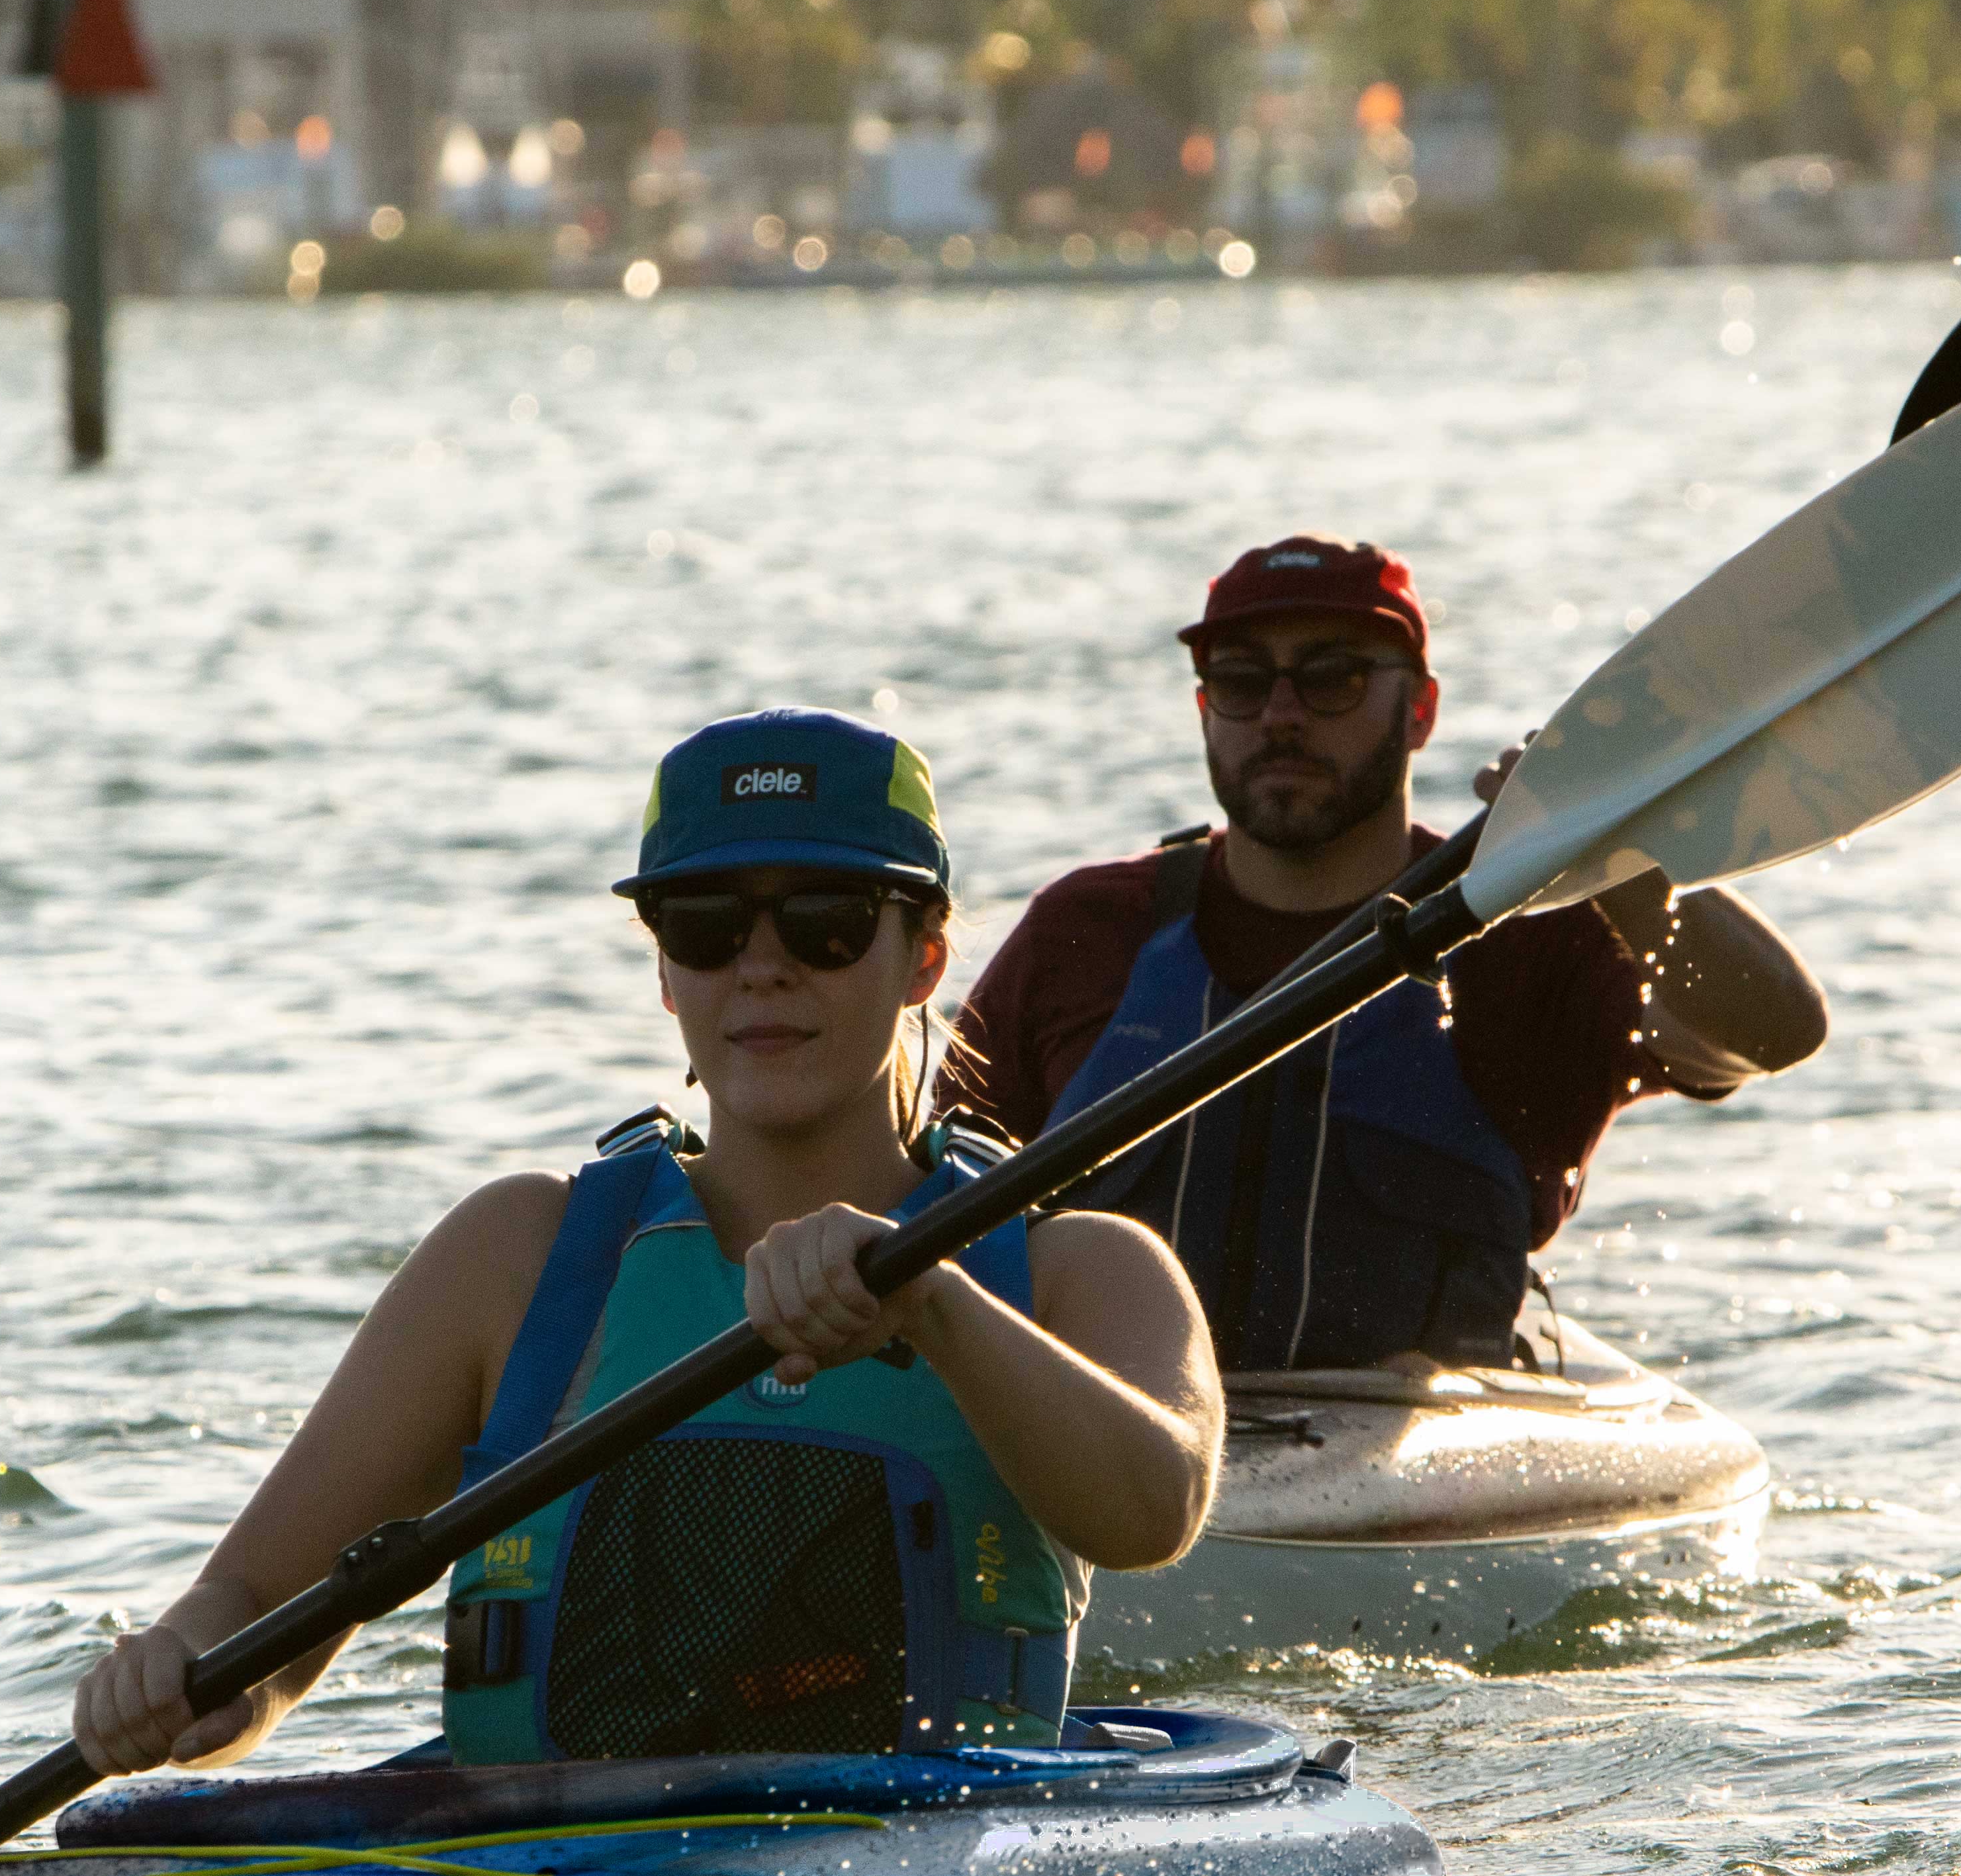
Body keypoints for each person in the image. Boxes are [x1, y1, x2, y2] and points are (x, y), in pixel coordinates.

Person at [68, 707, 1220, 1779]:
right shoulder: (514, 1256)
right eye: (709, 927)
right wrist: (187, 1673)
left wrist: (936, 1305)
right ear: (666, 969)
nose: (761, 967)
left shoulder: (1077, 1270)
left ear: (925, 955)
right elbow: (257, 1602)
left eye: (826, 924)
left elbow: (1153, 1515)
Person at [945, 535, 1831, 1376]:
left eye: (1332, 678)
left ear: (1421, 711)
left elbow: (1773, 1033)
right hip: (1107, 1452)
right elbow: (923, 1184)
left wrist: (1621, 865)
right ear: (1204, 707)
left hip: (1404, 1470)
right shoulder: (1086, 928)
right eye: (1243, 682)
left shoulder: (1529, 933)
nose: (1282, 716)